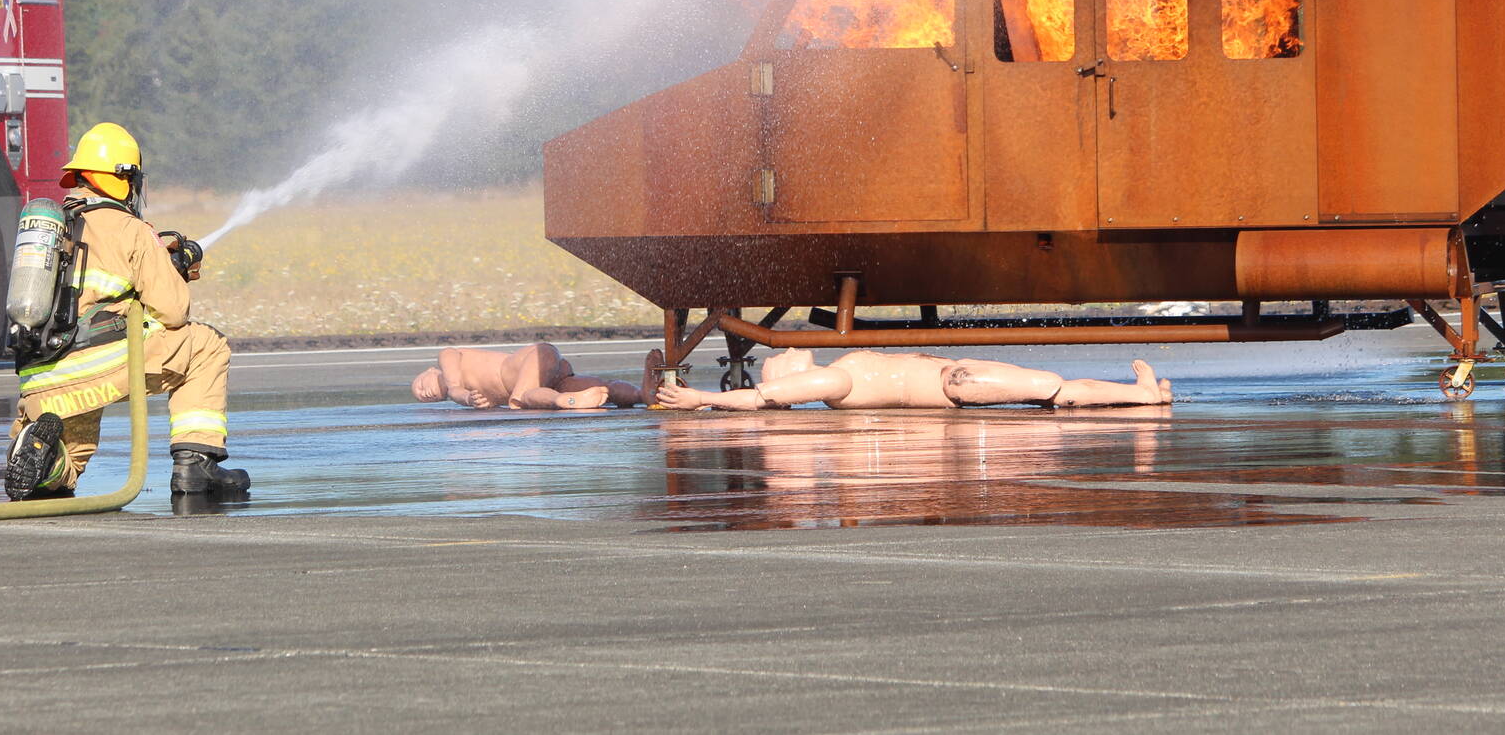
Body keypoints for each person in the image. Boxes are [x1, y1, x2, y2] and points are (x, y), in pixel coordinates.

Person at [4, 123, 249, 500]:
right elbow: (172, 312)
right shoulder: (130, 229)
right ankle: (195, 462)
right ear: (124, 178)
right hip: (100, 365)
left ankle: (45, 458)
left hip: (41, 378)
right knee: (206, 345)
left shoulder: (53, 230)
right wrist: (173, 272)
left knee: (70, 469)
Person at [655, 349, 1172, 411]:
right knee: (1050, 389)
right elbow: (765, 398)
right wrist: (700, 398)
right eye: (785, 355)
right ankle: (1141, 397)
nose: (790, 348)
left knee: (1052, 391)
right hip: (955, 383)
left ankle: (1142, 396)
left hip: (951, 379)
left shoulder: (836, 373)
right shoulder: (829, 381)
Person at [411, 342, 646, 410]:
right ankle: (642, 394)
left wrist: (465, 398)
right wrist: (479, 401)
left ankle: (563, 401)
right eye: (424, 398)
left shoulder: (448, 356)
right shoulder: (470, 391)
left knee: (521, 399)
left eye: (420, 385)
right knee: (604, 388)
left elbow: (454, 388)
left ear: (431, 371)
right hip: (546, 374)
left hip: (533, 358)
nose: (424, 393)